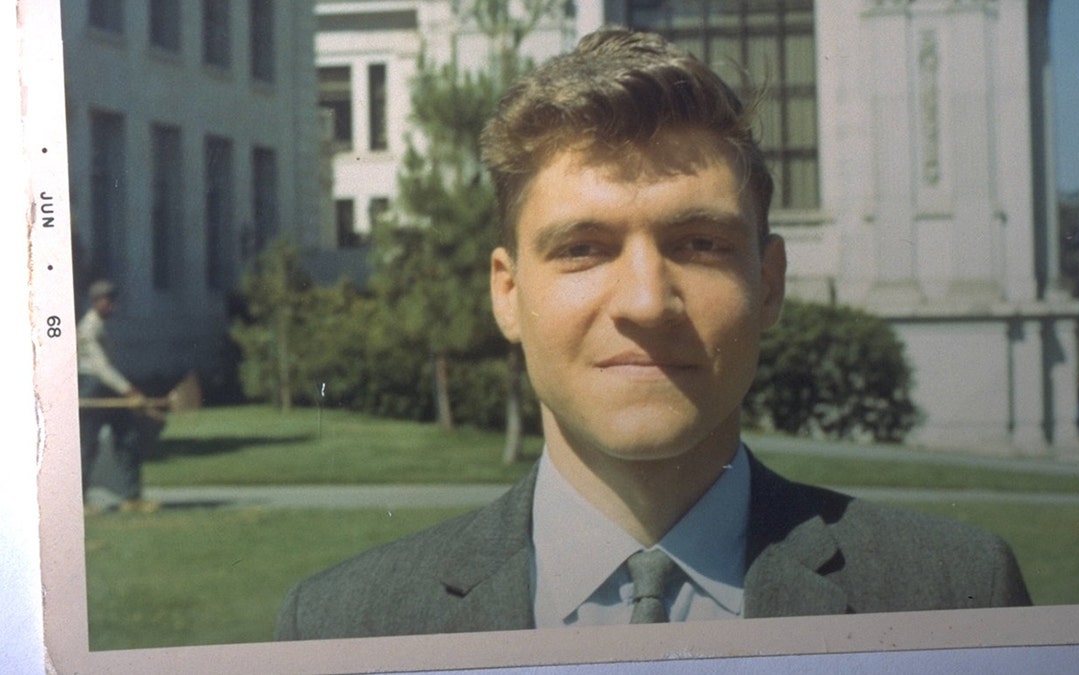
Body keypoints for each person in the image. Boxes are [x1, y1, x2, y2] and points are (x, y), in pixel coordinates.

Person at [275, 28, 1030, 640]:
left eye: (700, 243)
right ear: (508, 293)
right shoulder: (342, 629)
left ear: (768, 284)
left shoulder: (959, 593)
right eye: (583, 248)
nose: (645, 301)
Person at [77, 279, 159, 514]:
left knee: (127, 438)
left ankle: (131, 498)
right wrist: (130, 391)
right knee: (86, 445)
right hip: (92, 390)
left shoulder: (101, 326)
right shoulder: (88, 329)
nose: (112, 305)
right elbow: (101, 368)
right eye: (108, 301)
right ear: (97, 302)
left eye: (113, 300)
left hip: (106, 388)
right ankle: (77, 503)